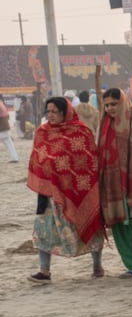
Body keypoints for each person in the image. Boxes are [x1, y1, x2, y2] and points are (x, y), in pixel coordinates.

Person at [26, 96, 105, 283]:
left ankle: (97, 266)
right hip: (48, 193)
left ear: (65, 112)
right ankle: (44, 271)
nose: (51, 115)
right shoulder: (42, 132)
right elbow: (37, 158)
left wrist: (65, 172)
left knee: (90, 226)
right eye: (48, 112)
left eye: (55, 112)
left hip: (78, 190)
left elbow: (89, 161)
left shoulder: (81, 131)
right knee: (43, 229)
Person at [96, 87, 132, 275]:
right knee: (120, 227)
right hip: (111, 185)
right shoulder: (104, 123)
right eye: (107, 105)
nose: (111, 108)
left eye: (114, 104)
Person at [0, 95, 18, 162]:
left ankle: (14, 158)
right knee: (9, 143)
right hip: (5, 126)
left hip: (1, 127)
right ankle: (14, 158)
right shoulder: (2, 104)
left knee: (8, 142)